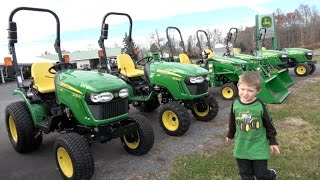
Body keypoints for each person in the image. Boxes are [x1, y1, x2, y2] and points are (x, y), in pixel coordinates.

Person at [226, 71, 280, 180]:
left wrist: (272, 141)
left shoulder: (260, 105)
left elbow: (269, 124)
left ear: (258, 91)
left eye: (250, 90)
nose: (245, 93)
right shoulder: (235, 103)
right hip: (242, 146)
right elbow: (232, 120)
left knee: (261, 175)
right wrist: (230, 134)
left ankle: (271, 175)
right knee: (245, 175)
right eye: (243, 89)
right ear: (238, 86)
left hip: (258, 145)